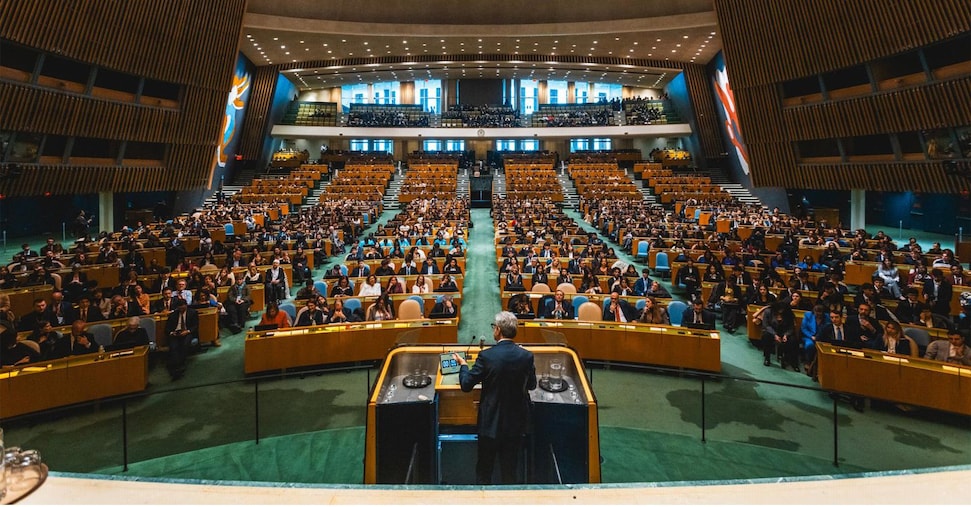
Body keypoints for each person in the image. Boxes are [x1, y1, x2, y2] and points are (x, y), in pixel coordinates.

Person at [453, 311, 536, 484]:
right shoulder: (527, 356)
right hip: (515, 425)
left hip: (490, 424)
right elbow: (532, 385)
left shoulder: (487, 356)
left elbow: (466, 385)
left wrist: (463, 366)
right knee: (509, 472)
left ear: (498, 330)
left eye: (494, 327)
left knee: (484, 472)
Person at [165, 299, 199, 380]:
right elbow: (167, 329)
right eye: (179, 307)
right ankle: (177, 366)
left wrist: (187, 331)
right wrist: (172, 333)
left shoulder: (193, 312)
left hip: (187, 333)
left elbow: (195, 326)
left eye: (182, 307)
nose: (181, 309)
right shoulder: (173, 315)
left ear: (186, 305)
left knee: (184, 345)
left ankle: (179, 365)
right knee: (173, 347)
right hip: (176, 334)